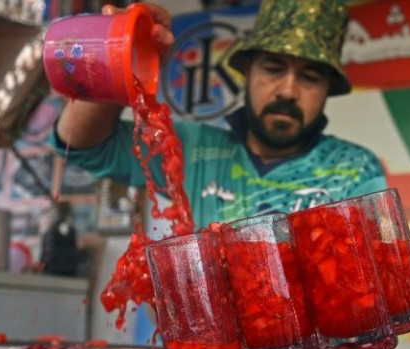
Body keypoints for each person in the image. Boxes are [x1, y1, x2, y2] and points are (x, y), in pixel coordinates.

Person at [49, 0, 387, 229]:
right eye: (273, 68)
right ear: (247, 72)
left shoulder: (355, 170)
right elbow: (83, 146)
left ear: (327, 89)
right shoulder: (191, 149)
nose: (287, 90)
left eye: (310, 77)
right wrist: (124, 61)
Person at [40, 201, 79, 277]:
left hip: (59, 269)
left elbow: (45, 253)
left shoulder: (59, 228)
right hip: (62, 269)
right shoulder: (53, 230)